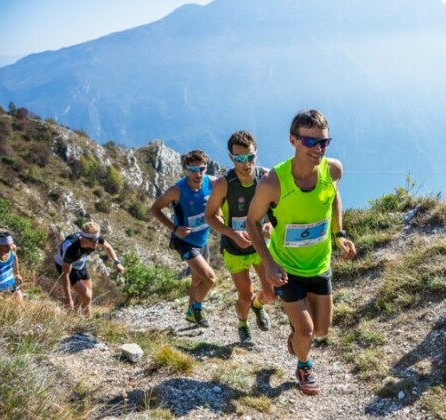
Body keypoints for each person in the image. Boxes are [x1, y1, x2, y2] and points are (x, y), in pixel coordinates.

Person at [246, 109, 357, 395]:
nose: (318, 149)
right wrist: (268, 263)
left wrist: (339, 235)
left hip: (319, 265)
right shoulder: (274, 182)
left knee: (321, 331)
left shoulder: (333, 170)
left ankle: (297, 337)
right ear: (293, 140)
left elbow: (333, 197)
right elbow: (251, 221)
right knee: (307, 332)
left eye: (324, 142)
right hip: (286, 269)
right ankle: (304, 366)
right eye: (310, 142)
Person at [205, 130, 276, 346]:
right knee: (244, 296)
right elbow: (209, 216)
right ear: (231, 158)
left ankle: (258, 305)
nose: (245, 163)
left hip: (260, 246)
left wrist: (270, 225)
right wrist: (232, 233)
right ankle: (243, 323)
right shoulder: (224, 184)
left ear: (256, 154)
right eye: (239, 158)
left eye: (250, 157)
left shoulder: (266, 178)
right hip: (234, 249)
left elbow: (277, 211)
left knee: (272, 294)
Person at [151, 149, 218, 328]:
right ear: (187, 169)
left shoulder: (212, 182)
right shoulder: (176, 190)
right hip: (184, 241)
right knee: (210, 278)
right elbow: (155, 209)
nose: (198, 174)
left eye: (202, 169)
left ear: (206, 168)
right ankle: (197, 307)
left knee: (197, 279)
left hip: (203, 239)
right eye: (193, 169)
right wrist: (175, 228)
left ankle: (190, 313)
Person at [54, 222, 125, 316]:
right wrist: (68, 299)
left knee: (88, 295)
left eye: (97, 239)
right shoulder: (72, 249)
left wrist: (117, 263)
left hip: (80, 263)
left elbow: (107, 247)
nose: (96, 243)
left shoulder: (93, 237)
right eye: (92, 241)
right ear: (83, 238)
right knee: (87, 296)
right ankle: (79, 316)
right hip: (65, 266)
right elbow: (65, 275)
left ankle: (81, 316)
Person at [0, 231, 24, 302]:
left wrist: (17, 273)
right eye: (6, 246)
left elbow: (15, 257)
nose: (9, 247)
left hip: (11, 283)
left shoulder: (12, 250)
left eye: (10, 244)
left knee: (19, 299)